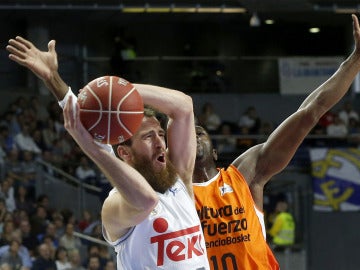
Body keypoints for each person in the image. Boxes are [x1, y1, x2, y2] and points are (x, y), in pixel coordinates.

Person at [7, 36, 210, 269]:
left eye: (161, 134)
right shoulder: (115, 205)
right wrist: (91, 146)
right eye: (148, 137)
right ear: (124, 153)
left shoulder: (179, 179)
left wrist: (118, 93)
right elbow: (146, 200)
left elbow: (183, 106)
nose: (160, 143)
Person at [192, 14, 360, 270]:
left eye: (200, 131)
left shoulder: (243, 176)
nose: (193, 135)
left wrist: (355, 61)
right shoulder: (172, 196)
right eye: (186, 134)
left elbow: (310, 112)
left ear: (215, 152)